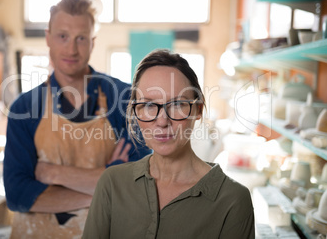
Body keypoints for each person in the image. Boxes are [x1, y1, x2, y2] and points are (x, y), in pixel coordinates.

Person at [3, 0, 151, 238]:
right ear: (48, 38)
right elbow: (18, 195)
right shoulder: (25, 107)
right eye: (62, 36)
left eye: (81, 38)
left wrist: (53, 174)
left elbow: (141, 183)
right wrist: (103, 190)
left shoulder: (123, 98)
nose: (71, 49)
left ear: (93, 43)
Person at [83, 49, 255, 239]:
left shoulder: (232, 200)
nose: (162, 121)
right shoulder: (113, 184)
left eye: (177, 104)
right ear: (135, 112)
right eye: (149, 105)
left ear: (197, 109)